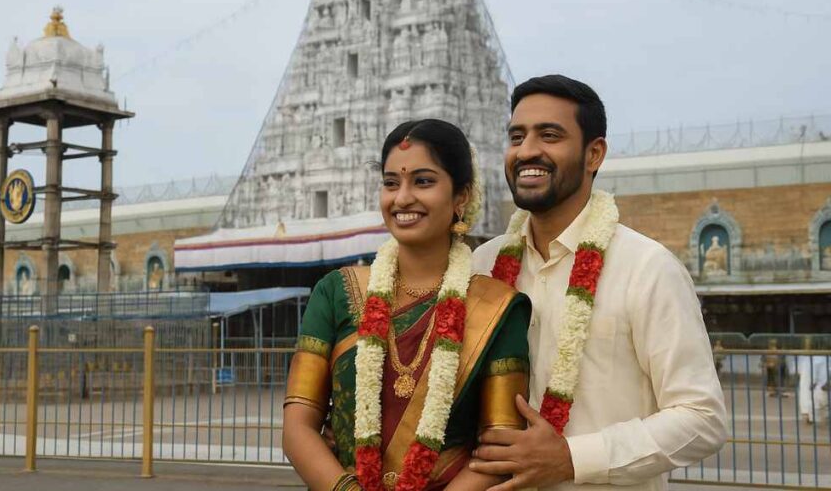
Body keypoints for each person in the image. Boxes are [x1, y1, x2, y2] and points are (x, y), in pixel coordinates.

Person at [469, 75, 728, 491]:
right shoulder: (483, 265)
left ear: (594, 154)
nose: (527, 150)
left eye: (549, 135)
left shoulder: (647, 268)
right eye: (517, 136)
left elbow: (702, 419)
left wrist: (572, 458)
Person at [283, 119, 532, 491]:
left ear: (461, 196)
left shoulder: (496, 307)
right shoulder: (335, 292)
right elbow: (297, 427)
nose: (402, 199)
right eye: (390, 183)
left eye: (423, 181)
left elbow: (499, 445)